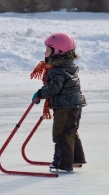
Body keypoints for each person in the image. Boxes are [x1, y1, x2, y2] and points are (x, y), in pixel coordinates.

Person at [31, 32, 87, 172]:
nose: (45, 53)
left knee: (61, 134)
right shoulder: (67, 66)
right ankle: (75, 159)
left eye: (48, 50)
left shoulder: (58, 71)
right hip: (73, 105)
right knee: (70, 132)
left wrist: (40, 93)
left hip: (65, 107)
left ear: (58, 52)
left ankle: (63, 163)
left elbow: (54, 89)